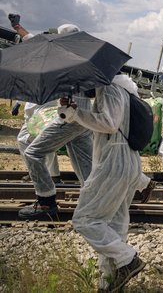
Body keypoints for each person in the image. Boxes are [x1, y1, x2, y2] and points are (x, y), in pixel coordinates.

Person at [60, 73, 147, 291]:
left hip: (113, 162)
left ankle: (128, 259)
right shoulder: (123, 89)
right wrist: (76, 112)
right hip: (126, 160)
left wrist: (77, 113)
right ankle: (108, 283)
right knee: (114, 225)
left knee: (85, 219)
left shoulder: (109, 88)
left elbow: (109, 123)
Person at [17, 22, 94, 220]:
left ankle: (46, 203)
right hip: (84, 118)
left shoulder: (65, 57)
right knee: (85, 165)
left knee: (32, 151)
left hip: (70, 118)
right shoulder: (87, 56)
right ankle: (96, 205)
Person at [16, 101, 61, 184]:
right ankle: (35, 171)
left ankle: (52, 175)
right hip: (31, 112)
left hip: (46, 109)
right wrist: (18, 103)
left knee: (45, 141)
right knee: (22, 140)